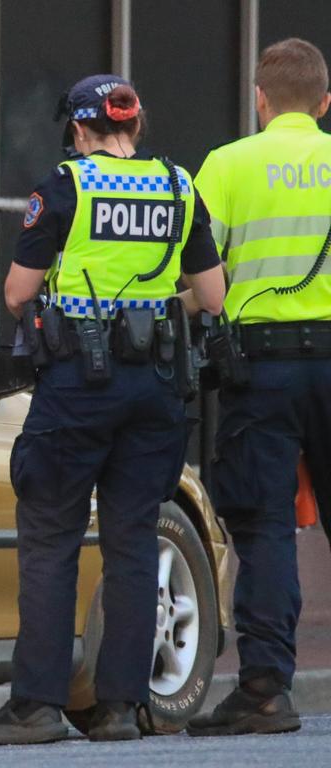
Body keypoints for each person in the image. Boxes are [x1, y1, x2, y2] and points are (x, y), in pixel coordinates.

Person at [0, 75, 225, 746]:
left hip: (79, 383)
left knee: (51, 538)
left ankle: (37, 705)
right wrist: (153, 310)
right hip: (156, 385)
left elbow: (20, 291)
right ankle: (121, 707)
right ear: (134, 128)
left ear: (79, 131)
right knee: (133, 541)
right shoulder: (178, 187)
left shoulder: (65, 187)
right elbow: (213, 296)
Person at [187, 37, 331, 738]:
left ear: (261, 98)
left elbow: (194, 270)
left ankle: (266, 688)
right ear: (326, 103)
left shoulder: (227, 164)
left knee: (267, 525)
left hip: (261, 365)